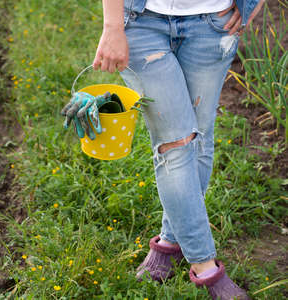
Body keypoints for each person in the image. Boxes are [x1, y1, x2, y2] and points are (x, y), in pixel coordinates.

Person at [92, 0, 264, 299]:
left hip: (214, 23)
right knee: (175, 143)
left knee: (199, 136)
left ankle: (170, 245)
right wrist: (112, 26)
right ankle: (206, 268)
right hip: (142, 22)